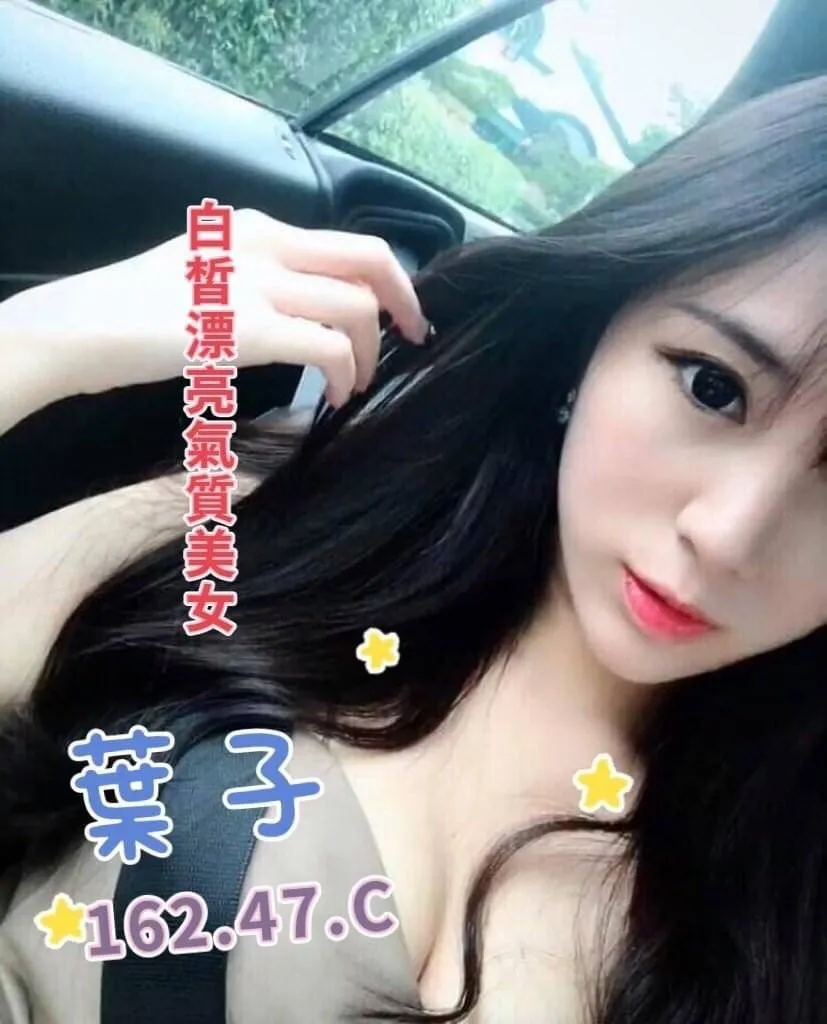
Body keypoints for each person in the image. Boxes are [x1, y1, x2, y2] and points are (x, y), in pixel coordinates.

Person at [1, 72, 827, 1024]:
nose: (727, 534)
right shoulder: (278, 527)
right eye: (711, 387)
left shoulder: (789, 896)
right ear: (593, 335)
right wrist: (34, 344)